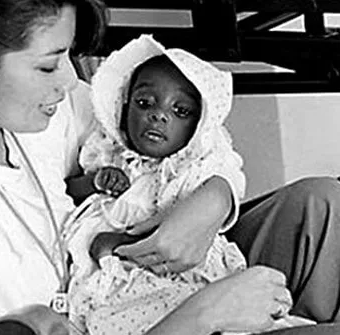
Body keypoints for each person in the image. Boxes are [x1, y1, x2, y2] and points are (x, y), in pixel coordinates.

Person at [0, 0, 339, 334]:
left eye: (70, 56)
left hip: (147, 265)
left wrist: (212, 201)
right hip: (133, 315)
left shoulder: (27, 112)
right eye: (48, 63)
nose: (69, 80)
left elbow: (205, 140)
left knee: (323, 206)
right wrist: (208, 313)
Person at [63, 35, 313, 335]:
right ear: (124, 105)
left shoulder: (196, 166)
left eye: (180, 111)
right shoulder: (108, 150)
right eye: (144, 103)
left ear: (198, 126)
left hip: (189, 269)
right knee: (102, 250)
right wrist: (95, 182)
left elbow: (229, 175)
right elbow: (69, 191)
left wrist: (217, 194)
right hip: (119, 261)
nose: (159, 115)